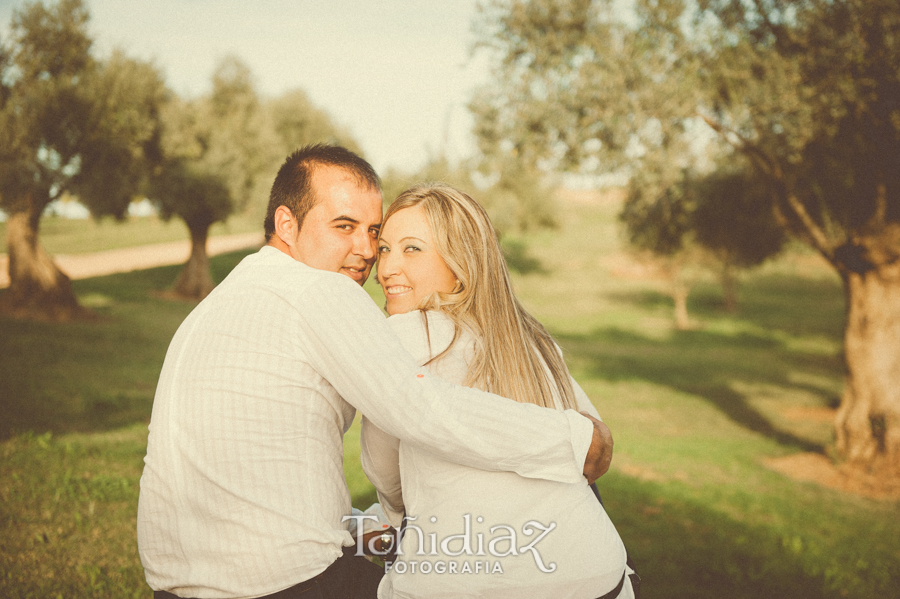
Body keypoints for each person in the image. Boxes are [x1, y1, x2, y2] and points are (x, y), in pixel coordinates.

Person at [137, 144, 614, 599]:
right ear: (286, 222)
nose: (367, 252)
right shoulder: (319, 291)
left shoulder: (216, 303)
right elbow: (419, 407)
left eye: (372, 233)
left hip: (175, 582)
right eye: (345, 227)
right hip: (284, 583)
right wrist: (571, 441)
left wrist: (373, 526)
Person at [362, 183, 637, 599]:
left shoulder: (400, 338)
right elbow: (590, 445)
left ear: (461, 264)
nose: (387, 268)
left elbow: (383, 473)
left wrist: (403, 520)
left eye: (412, 249)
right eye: (384, 249)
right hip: (594, 572)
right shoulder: (532, 340)